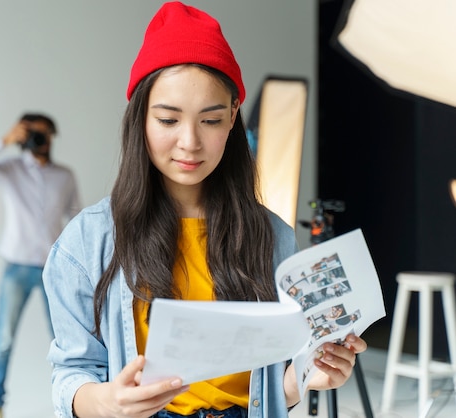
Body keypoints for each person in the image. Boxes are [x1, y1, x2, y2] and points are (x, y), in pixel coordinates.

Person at [42, 2, 367, 418]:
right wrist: (105, 402)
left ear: (233, 117)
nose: (190, 142)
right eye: (168, 120)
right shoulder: (87, 242)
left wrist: (309, 375)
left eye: (210, 121)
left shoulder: (273, 238)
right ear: (141, 117)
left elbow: (267, 392)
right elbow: (71, 373)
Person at [0, 113, 81, 418]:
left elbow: (77, 220)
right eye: (33, 134)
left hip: (52, 270)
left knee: (65, 339)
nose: (40, 139)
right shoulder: (11, 170)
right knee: (4, 338)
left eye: (45, 133)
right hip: (16, 267)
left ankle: (71, 402)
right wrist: (4, 141)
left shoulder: (64, 176)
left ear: (53, 136)